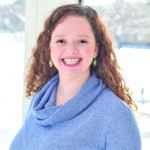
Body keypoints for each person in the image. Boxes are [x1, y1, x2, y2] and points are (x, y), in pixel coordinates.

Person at [10, 4, 141, 150]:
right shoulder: (39, 100)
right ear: (49, 48)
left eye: (82, 41)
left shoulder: (116, 115)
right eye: (61, 41)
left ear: (96, 49)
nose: (71, 50)